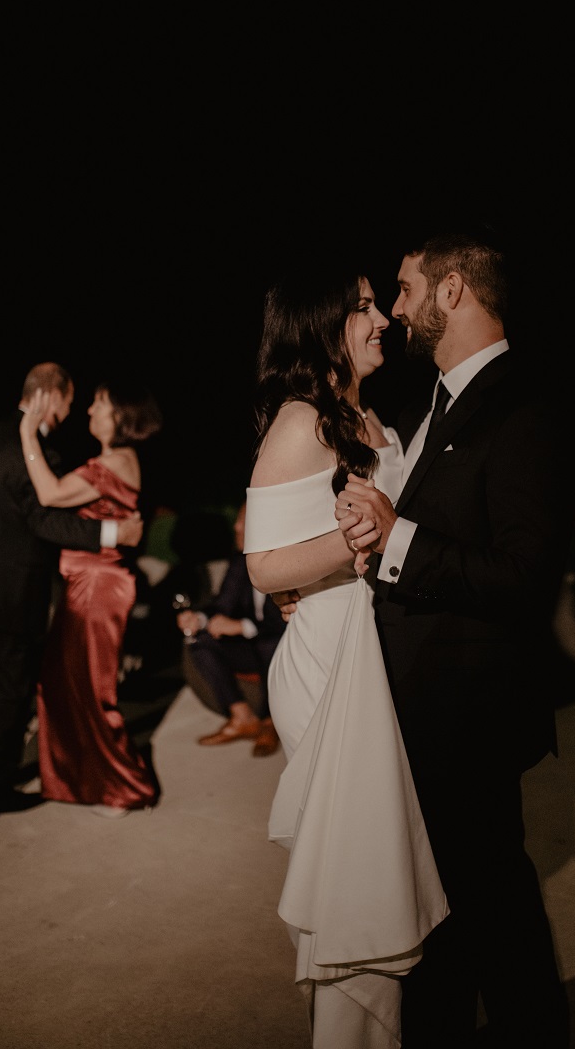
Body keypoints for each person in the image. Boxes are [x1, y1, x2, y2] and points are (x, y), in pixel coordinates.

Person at [332, 231, 573, 1046]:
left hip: (470, 717)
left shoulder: (523, 408)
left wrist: (398, 538)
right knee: (438, 921)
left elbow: (522, 575)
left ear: (454, 290)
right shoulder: (419, 410)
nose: (396, 309)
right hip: (413, 713)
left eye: (405, 289)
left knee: (494, 914)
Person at [243, 267, 448, 1048]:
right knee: (350, 877)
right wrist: (358, 540)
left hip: (375, 656)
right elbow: (263, 564)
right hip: (325, 663)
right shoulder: (302, 421)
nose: (381, 320)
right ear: (323, 326)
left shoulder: (378, 424)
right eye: (362, 308)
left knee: (374, 867)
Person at [0, 363, 145, 820]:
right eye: (69, 398)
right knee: (10, 687)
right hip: (2, 591)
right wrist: (113, 535)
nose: (72, 409)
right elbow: (44, 519)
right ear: (52, 397)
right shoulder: (40, 453)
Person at [19, 377, 162, 818]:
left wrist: (27, 433)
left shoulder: (114, 463)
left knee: (92, 690)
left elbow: (49, 494)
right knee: (65, 684)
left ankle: (124, 787)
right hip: (89, 584)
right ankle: (83, 778)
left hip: (98, 588)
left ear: (120, 415)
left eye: (98, 404)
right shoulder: (114, 460)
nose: (89, 412)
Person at [177, 500, 285, 757]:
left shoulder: (285, 560)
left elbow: (286, 620)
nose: (236, 527)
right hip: (253, 646)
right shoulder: (240, 562)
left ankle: (273, 722)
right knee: (199, 640)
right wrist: (199, 619)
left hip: (280, 645)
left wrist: (241, 626)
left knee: (269, 643)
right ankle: (242, 717)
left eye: (242, 522)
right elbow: (222, 604)